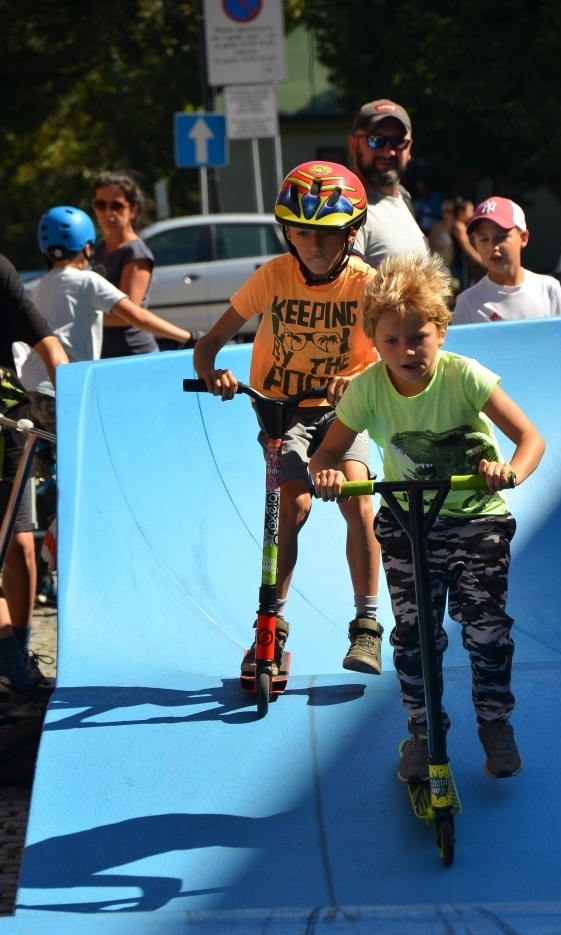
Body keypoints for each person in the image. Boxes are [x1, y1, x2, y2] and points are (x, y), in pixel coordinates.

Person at [310, 252, 545, 780]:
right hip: (409, 523)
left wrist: (507, 471)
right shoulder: (369, 386)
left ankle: (494, 723)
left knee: (486, 631)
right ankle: (422, 730)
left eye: (418, 337)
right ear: (373, 340)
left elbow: (531, 439)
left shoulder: (464, 377)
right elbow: (327, 453)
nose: (406, 351)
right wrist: (326, 473)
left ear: (441, 331)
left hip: (477, 521)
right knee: (415, 638)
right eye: (391, 341)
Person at [192, 161, 384, 679]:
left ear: (352, 234)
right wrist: (216, 375)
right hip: (281, 411)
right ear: (287, 233)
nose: (316, 248)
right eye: (303, 234)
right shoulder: (272, 277)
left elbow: (395, 350)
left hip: (346, 410)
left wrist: (360, 381)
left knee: (358, 499)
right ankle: (269, 625)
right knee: (291, 508)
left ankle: (366, 626)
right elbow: (208, 344)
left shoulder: (368, 283)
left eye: (329, 236)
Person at [21, 207, 193, 421]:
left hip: (31, 386)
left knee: (44, 452)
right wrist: (188, 337)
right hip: (60, 387)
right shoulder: (88, 280)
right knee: (81, 451)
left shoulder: (41, 285)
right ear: (87, 247)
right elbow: (138, 316)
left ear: (46, 251)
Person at [0, 254, 68, 708]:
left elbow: (49, 344)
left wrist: (74, 400)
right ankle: (9, 664)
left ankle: (18, 654)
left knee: (22, 547)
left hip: (10, 419)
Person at [451, 197, 561, 324]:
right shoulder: (468, 302)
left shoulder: (549, 289)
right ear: (476, 243)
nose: (493, 246)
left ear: (523, 238)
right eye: (484, 239)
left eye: (501, 237)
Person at [347, 100, 428, 267]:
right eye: (376, 140)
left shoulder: (403, 198)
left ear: (409, 148)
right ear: (353, 145)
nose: (388, 151)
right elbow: (345, 287)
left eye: (399, 141)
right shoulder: (347, 207)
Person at [91, 170, 160, 357]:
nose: (108, 212)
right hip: (105, 353)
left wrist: (84, 315)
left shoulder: (135, 253)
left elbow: (127, 315)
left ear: (133, 210)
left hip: (134, 353)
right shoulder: (100, 247)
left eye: (117, 206)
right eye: (100, 204)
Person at [449, 197, 485, 294]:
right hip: (461, 265)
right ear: (461, 212)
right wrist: (482, 261)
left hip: (463, 264)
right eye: (470, 210)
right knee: (465, 290)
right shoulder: (459, 226)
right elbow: (466, 247)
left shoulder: (462, 225)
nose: (472, 214)